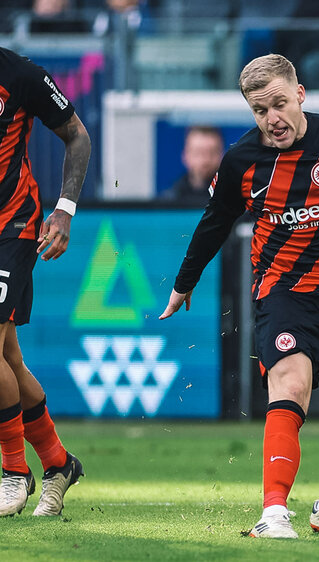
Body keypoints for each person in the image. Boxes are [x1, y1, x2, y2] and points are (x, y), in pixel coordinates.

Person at [159, 54, 319, 539]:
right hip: (283, 295)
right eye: (259, 110)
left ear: (300, 94)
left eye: (279, 103)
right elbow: (215, 223)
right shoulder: (241, 161)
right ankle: (273, 513)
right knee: (291, 386)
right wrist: (183, 283)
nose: (272, 118)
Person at [0, 47, 90, 517]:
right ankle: (58, 464)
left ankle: (15, 472)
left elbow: (77, 137)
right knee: (7, 358)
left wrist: (65, 209)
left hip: (11, 224)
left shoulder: (21, 75)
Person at [160, 126, 225, 206]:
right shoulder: (168, 202)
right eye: (198, 153)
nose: (205, 160)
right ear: (185, 155)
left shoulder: (235, 202)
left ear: (222, 155)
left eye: (212, 153)